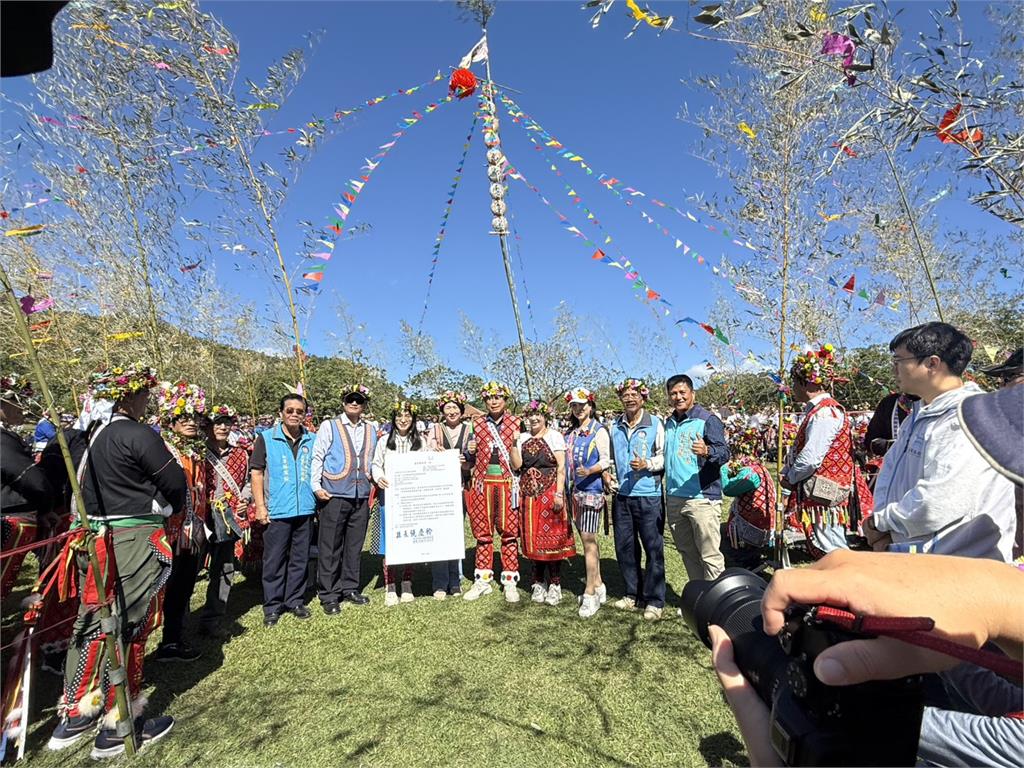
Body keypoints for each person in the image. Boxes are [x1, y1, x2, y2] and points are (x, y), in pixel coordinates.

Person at [47, 364, 180, 758]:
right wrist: (170, 506)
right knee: (128, 623)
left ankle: (76, 712)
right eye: (145, 395)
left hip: (95, 539)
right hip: (129, 539)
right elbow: (174, 482)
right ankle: (119, 724)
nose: (147, 402)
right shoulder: (135, 434)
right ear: (131, 396)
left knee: (93, 619)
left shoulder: (89, 437)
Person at [866, 323, 1015, 560]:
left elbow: (938, 501)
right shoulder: (918, 415)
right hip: (917, 556)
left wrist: (881, 523)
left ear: (932, 364)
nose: (894, 369)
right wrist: (883, 529)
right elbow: (890, 474)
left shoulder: (969, 417)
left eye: (899, 361)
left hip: (959, 564)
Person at [781, 345, 865, 558]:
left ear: (808, 382)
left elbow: (811, 458)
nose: (792, 388)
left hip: (825, 493)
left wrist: (791, 478)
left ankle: (846, 578)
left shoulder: (825, 413)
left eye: (794, 382)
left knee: (831, 548)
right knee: (825, 543)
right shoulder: (820, 411)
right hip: (820, 492)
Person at [250, 394, 317, 627]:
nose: (294, 415)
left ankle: (295, 600)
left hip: (305, 509)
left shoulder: (312, 439)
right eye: (290, 410)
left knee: (300, 558)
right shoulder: (266, 438)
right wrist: (260, 506)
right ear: (281, 413)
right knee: (274, 560)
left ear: (305, 415)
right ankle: (272, 605)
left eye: (299, 411)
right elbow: (257, 473)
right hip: (277, 510)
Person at [155, 381, 209, 663]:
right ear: (170, 421)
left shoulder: (196, 450)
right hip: (168, 533)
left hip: (192, 531)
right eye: (183, 417)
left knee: (183, 586)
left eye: (194, 417)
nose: (190, 422)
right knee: (165, 587)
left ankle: (173, 639)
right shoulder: (162, 450)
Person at [310, 384, 376, 612]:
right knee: (330, 546)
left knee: (354, 545)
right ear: (343, 402)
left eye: (359, 400)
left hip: (361, 494)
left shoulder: (371, 429)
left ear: (364, 404)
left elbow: (374, 459)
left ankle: (350, 587)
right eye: (350, 399)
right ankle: (329, 593)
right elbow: (318, 456)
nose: (354, 403)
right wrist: (316, 485)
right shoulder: (329, 426)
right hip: (335, 493)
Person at [608, 378, 666, 621]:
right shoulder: (614, 426)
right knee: (625, 547)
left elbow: (664, 456)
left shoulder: (655, 423)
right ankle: (632, 593)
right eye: (625, 395)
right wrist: (607, 474)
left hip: (648, 494)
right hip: (622, 495)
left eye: (634, 395)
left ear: (643, 398)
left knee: (653, 548)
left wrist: (647, 464)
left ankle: (654, 600)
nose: (630, 398)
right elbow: (611, 458)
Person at [662, 373, 728, 584]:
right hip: (674, 497)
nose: (678, 397)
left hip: (701, 498)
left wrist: (707, 451)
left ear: (693, 394)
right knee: (687, 552)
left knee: (710, 555)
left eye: (682, 392)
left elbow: (724, 453)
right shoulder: (669, 422)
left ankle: (717, 599)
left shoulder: (708, 420)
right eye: (673, 393)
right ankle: (700, 595)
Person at [464, 381, 523, 603]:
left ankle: (509, 580)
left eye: (498, 397)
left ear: (505, 399)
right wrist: (469, 451)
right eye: (489, 398)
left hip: (508, 483)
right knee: (483, 533)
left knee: (509, 533)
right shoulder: (477, 424)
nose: (494, 401)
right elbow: (469, 457)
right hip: (482, 484)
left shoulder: (517, 422)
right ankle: (482, 579)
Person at [510, 400, 572, 606]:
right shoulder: (522, 438)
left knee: (552, 538)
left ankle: (555, 583)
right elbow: (517, 465)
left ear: (545, 417)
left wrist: (559, 494)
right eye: (531, 415)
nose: (534, 419)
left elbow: (561, 467)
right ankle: (538, 581)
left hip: (550, 490)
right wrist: (513, 444)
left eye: (538, 415)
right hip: (528, 494)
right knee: (532, 538)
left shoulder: (554, 436)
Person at [1, 374, 57, 599]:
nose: (22, 409)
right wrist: (46, 505)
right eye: (17, 401)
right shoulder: (2, 440)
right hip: (7, 515)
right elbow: (31, 479)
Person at [201, 404, 250, 637]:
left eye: (226, 422)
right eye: (217, 422)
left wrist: (245, 498)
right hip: (200, 518)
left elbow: (248, 481)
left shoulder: (241, 453)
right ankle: (176, 627)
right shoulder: (197, 454)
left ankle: (213, 618)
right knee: (189, 571)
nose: (222, 427)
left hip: (227, 518)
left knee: (224, 567)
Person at [371, 401, 424, 606]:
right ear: (393, 419)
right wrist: (379, 477)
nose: (403, 420)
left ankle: (407, 582)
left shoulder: (420, 441)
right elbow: (376, 464)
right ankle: (390, 584)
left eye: (407, 416)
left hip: (412, 499)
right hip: (390, 497)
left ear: (413, 419)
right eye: (399, 416)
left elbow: (426, 465)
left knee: (410, 539)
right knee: (390, 542)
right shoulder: (384, 440)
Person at [564, 387, 609, 619]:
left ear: (590, 406)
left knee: (589, 541)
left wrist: (591, 470)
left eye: (582, 405)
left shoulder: (598, 431)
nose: (578, 409)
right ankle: (598, 583)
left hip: (591, 491)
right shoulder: (570, 433)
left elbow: (606, 460)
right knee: (585, 540)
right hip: (573, 492)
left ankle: (590, 592)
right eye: (574, 405)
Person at [428, 390, 473, 599]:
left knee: (455, 533)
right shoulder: (436, 430)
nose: (452, 411)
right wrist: (434, 453)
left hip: (462, 486)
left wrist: (466, 463)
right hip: (439, 490)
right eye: (448, 408)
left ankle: (455, 580)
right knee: (439, 533)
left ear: (461, 410)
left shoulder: (469, 430)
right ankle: (439, 582)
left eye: (455, 407)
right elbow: (426, 456)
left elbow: (476, 459)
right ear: (442, 410)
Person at [720, 427, 776, 569]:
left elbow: (728, 489)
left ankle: (743, 562)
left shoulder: (750, 473)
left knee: (721, 534)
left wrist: (723, 470)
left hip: (753, 523)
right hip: (762, 519)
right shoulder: (760, 468)